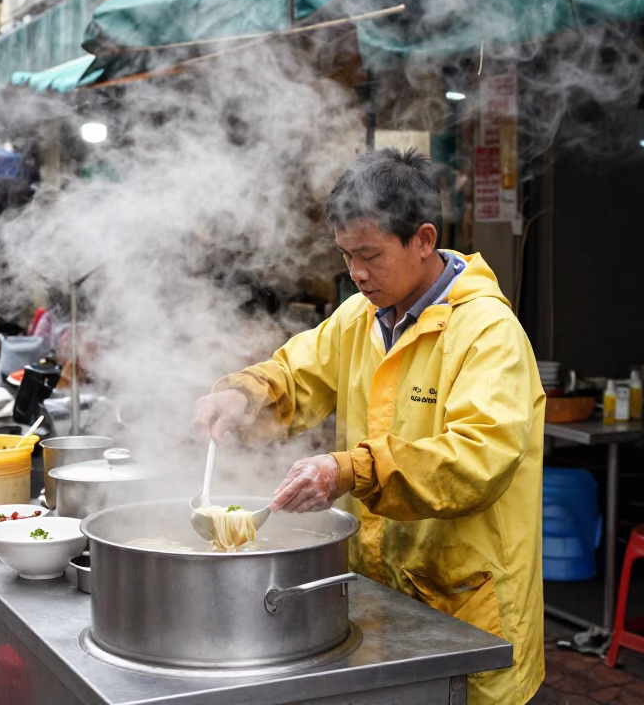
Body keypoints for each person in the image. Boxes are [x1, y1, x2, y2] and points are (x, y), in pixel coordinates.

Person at [192, 148, 545, 704]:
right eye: (346, 255)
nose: (356, 273)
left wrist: (350, 469)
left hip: (466, 605)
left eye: (370, 255)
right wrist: (243, 393)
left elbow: (479, 457)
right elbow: (295, 372)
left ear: (423, 240)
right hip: (378, 595)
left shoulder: (487, 333)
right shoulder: (360, 317)